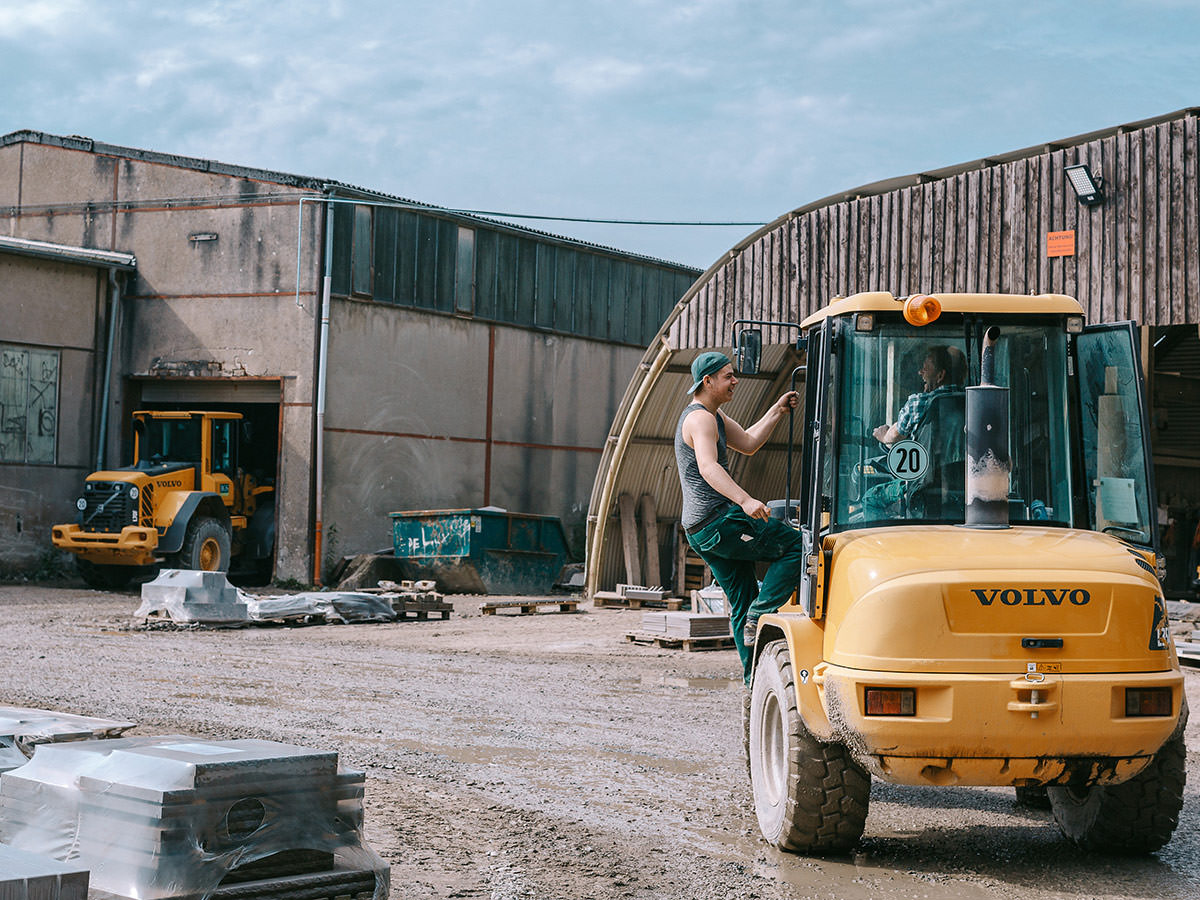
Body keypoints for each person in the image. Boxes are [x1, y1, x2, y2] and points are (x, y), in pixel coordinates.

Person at [674, 351, 804, 686]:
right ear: (708, 381)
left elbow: (747, 442)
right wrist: (745, 500)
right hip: (719, 522)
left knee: (742, 601)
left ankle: (753, 681)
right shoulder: (700, 419)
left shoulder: (714, 415)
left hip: (701, 530)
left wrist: (777, 409)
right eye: (728, 376)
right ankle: (761, 615)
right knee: (797, 545)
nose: (735, 381)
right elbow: (708, 467)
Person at [872, 345, 965, 446]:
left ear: (940, 375)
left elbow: (896, 434)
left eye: (925, 369)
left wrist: (883, 435)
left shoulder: (920, 402)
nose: (920, 372)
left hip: (926, 461)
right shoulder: (971, 401)